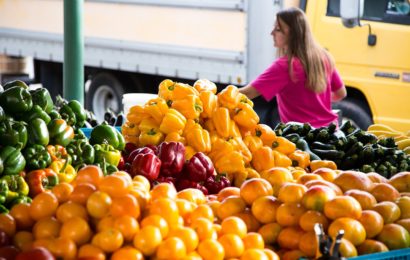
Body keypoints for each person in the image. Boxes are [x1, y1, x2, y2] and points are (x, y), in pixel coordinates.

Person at [239, 7, 347, 128]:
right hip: (330, 132)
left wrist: (214, 95)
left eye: (278, 29)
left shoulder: (284, 66)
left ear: (292, 34)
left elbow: (247, 93)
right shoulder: (324, 57)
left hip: (302, 137)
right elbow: (341, 93)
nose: (272, 33)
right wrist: (316, 101)